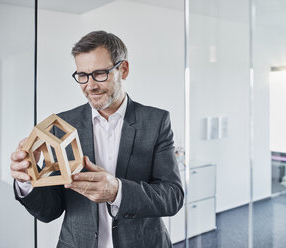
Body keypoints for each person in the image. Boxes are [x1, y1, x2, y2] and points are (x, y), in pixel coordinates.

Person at [10, 30, 184, 248]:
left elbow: (172, 196)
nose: (90, 85)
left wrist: (117, 191)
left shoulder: (156, 121)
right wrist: (26, 181)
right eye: (82, 75)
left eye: (100, 73)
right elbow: (49, 211)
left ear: (124, 69)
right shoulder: (62, 126)